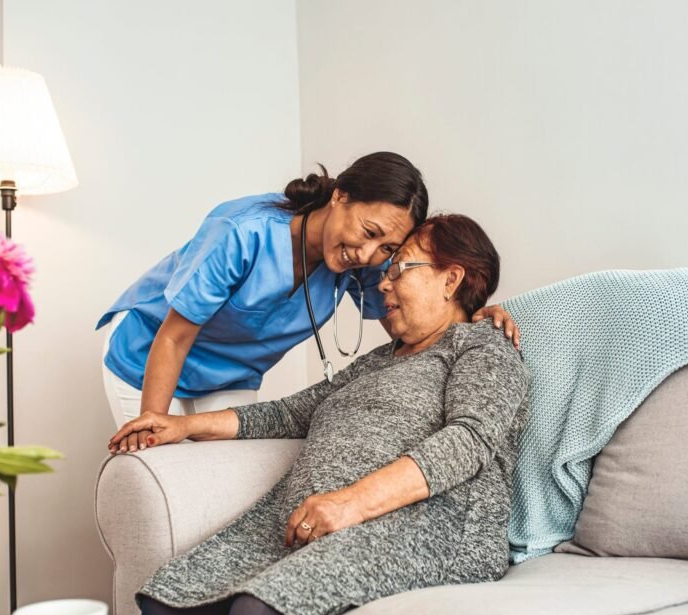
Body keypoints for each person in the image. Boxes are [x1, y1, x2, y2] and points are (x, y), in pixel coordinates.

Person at [108, 214, 530, 615]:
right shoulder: (380, 359)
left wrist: (351, 503)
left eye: (400, 269)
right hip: (318, 520)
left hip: (427, 526)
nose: (383, 285)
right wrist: (181, 426)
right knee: (171, 599)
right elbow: (292, 413)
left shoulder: (483, 346)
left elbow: (470, 439)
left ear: (451, 279)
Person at [97, 152, 520, 453]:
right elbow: (173, 338)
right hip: (147, 354)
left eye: (387, 248)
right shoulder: (242, 231)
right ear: (340, 197)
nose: (369, 254)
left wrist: (474, 314)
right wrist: (154, 426)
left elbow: (409, 320)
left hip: (230, 378)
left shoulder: (364, 266)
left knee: (220, 482)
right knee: (157, 470)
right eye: (368, 231)